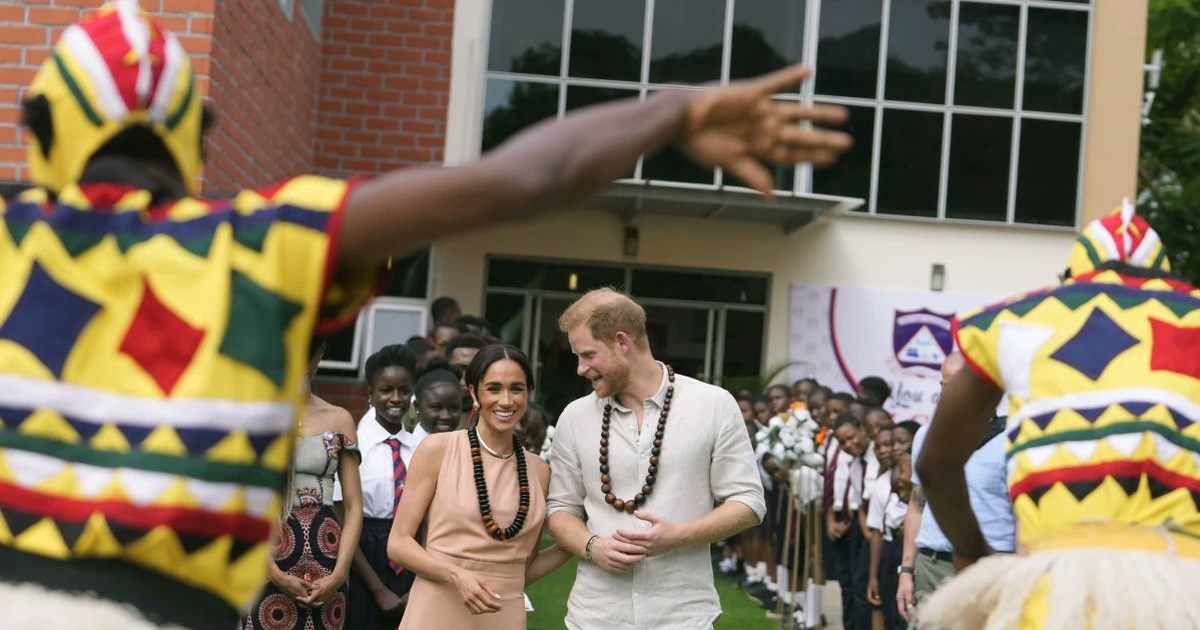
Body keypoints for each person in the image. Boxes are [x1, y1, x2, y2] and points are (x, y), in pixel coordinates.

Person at [0, 2, 850, 625]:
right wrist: (672, 108)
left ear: (37, 130)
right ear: (195, 136)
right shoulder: (265, 243)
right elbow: (523, 179)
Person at [916, 205, 1200, 629]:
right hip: (1179, 594)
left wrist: (971, 556)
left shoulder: (1016, 321)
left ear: (1070, 275)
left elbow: (935, 464)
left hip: (1057, 591)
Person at [546, 288, 766, 628]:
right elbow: (560, 508)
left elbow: (749, 502)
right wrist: (593, 547)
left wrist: (680, 536)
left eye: (588, 355)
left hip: (683, 615)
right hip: (595, 616)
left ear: (621, 342)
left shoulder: (714, 405)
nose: (580, 368)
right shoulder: (574, 417)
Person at [387, 345, 570, 628]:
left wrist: (577, 542)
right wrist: (456, 575)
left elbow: (522, 569)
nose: (506, 401)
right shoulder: (438, 449)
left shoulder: (539, 471)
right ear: (474, 393)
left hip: (504, 615)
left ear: (529, 393)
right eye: (494, 389)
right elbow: (398, 543)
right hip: (438, 607)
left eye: (517, 389)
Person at [246, 337, 363, 630]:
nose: (302, 367)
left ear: (321, 355)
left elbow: (354, 506)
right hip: (267, 552)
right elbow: (243, 500)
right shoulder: (257, 415)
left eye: (309, 357)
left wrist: (339, 574)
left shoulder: (340, 419)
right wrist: (274, 573)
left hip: (328, 555)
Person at [894, 354, 1015, 624]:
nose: (953, 394)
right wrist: (906, 571)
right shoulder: (926, 436)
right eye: (946, 385)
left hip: (991, 568)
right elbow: (917, 506)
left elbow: (1023, 517)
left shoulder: (1011, 439)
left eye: (962, 385)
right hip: (931, 567)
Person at [335, 345, 423, 630]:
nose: (396, 398)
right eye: (386, 390)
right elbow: (341, 517)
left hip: (411, 552)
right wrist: (377, 589)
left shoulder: (422, 449)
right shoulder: (353, 445)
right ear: (370, 394)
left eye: (404, 390)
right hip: (364, 555)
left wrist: (417, 585)